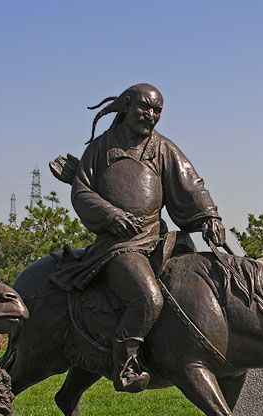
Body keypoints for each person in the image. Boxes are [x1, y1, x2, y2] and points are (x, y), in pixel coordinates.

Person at [52, 83, 226, 392]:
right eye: (145, 107)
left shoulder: (162, 148)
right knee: (148, 297)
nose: (151, 115)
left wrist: (209, 215)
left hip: (158, 240)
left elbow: (190, 183)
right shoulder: (100, 150)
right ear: (127, 106)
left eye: (157, 110)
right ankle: (126, 365)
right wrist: (111, 215)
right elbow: (81, 191)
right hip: (117, 247)